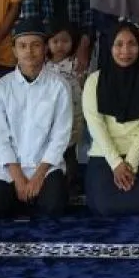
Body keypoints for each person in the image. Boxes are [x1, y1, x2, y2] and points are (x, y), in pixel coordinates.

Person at [0, 18, 72, 219]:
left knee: (54, 208)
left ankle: (31, 199)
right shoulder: (1, 88)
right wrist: (19, 179)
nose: (29, 52)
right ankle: (25, 198)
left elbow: (60, 136)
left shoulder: (59, 86)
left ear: (45, 49)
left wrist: (38, 176)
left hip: (46, 167)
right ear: (14, 51)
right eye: (22, 46)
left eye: (35, 45)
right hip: (10, 168)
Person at [83, 23, 139, 216]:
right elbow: (95, 125)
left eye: (132, 44)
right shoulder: (94, 81)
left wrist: (131, 164)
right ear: (110, 47)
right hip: (105, 154)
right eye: (118, 44)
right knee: (104, 206)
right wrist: (116, 164)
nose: (125, 51)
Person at [43, 20, 84, 184]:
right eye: (55, 41)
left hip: (73, 115)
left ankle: (71, 185)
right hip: (50, 117)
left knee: (70, 151)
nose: (60, 45)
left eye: (65, 41)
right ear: (47, 43)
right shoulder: (43, 66)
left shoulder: (76, 65)